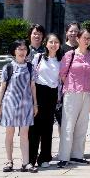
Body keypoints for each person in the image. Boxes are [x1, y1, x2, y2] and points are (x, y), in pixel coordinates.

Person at [56, 28, 90, 167]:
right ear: (78, 39)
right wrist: (71, 85)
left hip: (87, 93)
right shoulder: (70, 54)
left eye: (89, 38)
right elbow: (62, 74)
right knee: (68, 125)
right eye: (85, 38)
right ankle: (64, 156)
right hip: (72, 93)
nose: (87, 40)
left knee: (82, 125)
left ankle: (77, 155)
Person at [0, 40, 39, 172]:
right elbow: (3, 86)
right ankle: (9, 161)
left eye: (24, 49)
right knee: (9, 133)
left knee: (25, 134)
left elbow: (33, 86)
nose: (22, 51)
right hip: (10, 104)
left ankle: (26, 162)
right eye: (19, 49)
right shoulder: (8, 67)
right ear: (14, 51)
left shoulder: (31, 67)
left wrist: (35, 104)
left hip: (26, 104)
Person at [29, 33, 62, 168]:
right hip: (39, 91)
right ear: (46, 44)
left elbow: (60, 81)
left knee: (48, 127)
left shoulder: (61, 60)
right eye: (51, 42)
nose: (54, 45)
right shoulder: (39, 57)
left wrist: (59, 97)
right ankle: (31, 158)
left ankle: (44, 157)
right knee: (35, 127)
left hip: (52, 94)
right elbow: (32, 77)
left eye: (56, 42)